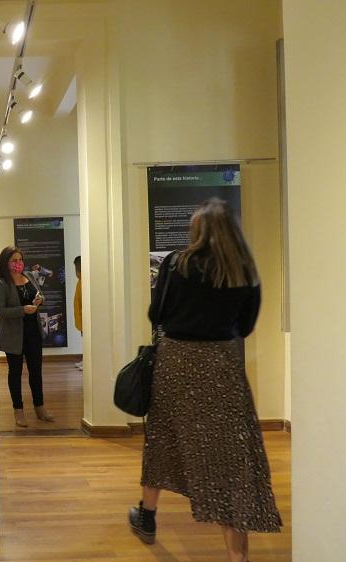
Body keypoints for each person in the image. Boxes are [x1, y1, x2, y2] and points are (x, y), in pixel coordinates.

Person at [129, 199, 281, 562]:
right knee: (231, 455)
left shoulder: (175, 264)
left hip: (177, 361)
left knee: (164, 438)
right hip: (222, 365)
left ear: (198, 231)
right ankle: (236, 555)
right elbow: (245, 326)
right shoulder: (244, 271)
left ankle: (147, 516)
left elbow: (157, 314)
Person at [0, 246, 54, 428]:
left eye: (20, 259)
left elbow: (40, 295)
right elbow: (0, 312)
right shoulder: (1, 284)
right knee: (15, 373)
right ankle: (18, 410)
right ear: (6, 263)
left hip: (33, 332)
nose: (18, 263)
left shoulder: (29, 276)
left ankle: (39, 407)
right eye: (14, 260)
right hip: (14, 336)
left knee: (36, 371)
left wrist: (39, 300)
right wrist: (22, 310)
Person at [73, 256, 83, 370]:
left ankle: (87, 361)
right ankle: (85, 359)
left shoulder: (85, 282)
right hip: (80, 316)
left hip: (83, 317)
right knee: (84, 339)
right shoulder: (80, 282)